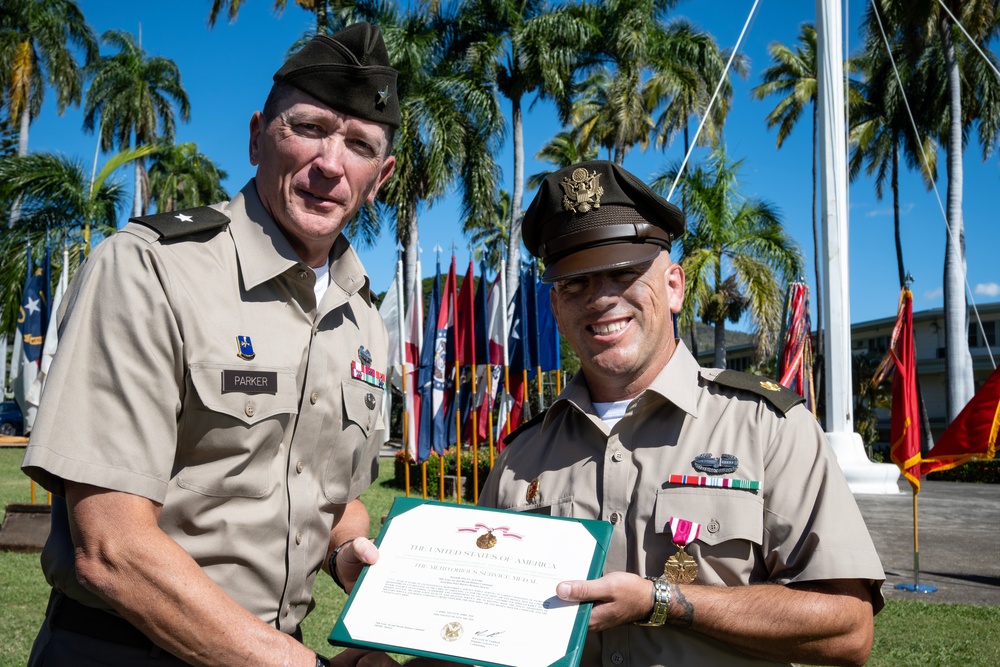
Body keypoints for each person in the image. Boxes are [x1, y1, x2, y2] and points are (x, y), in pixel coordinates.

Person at [22, 22, 401, 667]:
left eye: (359, 145)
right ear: (257, 137)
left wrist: (347, 553)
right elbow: (110, 546)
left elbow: (329, 497)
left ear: (380, 177)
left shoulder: (363, 318)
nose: (330, 165)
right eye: (307, 128)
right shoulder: (151, 269)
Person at [475, 160, 886, 666]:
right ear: (556, 308)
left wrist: (661, 603)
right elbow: (481, 622)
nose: (601, 298)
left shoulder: (766, 426)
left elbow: (847, 630)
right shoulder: (522, 456)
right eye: (574, 284)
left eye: (623, 273)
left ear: (674, 286)